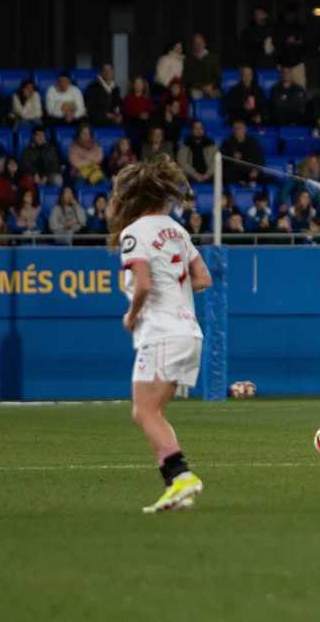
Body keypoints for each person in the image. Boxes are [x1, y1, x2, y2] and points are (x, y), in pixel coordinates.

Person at [107, 155, 213, 512]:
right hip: (189, 332)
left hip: (162, 332)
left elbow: (142, 285)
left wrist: (132, 315)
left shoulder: (134, 232)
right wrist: (176, 293)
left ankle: (183, 478)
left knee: (144, 413)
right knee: (154, 413)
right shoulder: (177, 229)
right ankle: (176, 486)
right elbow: (203, 279)